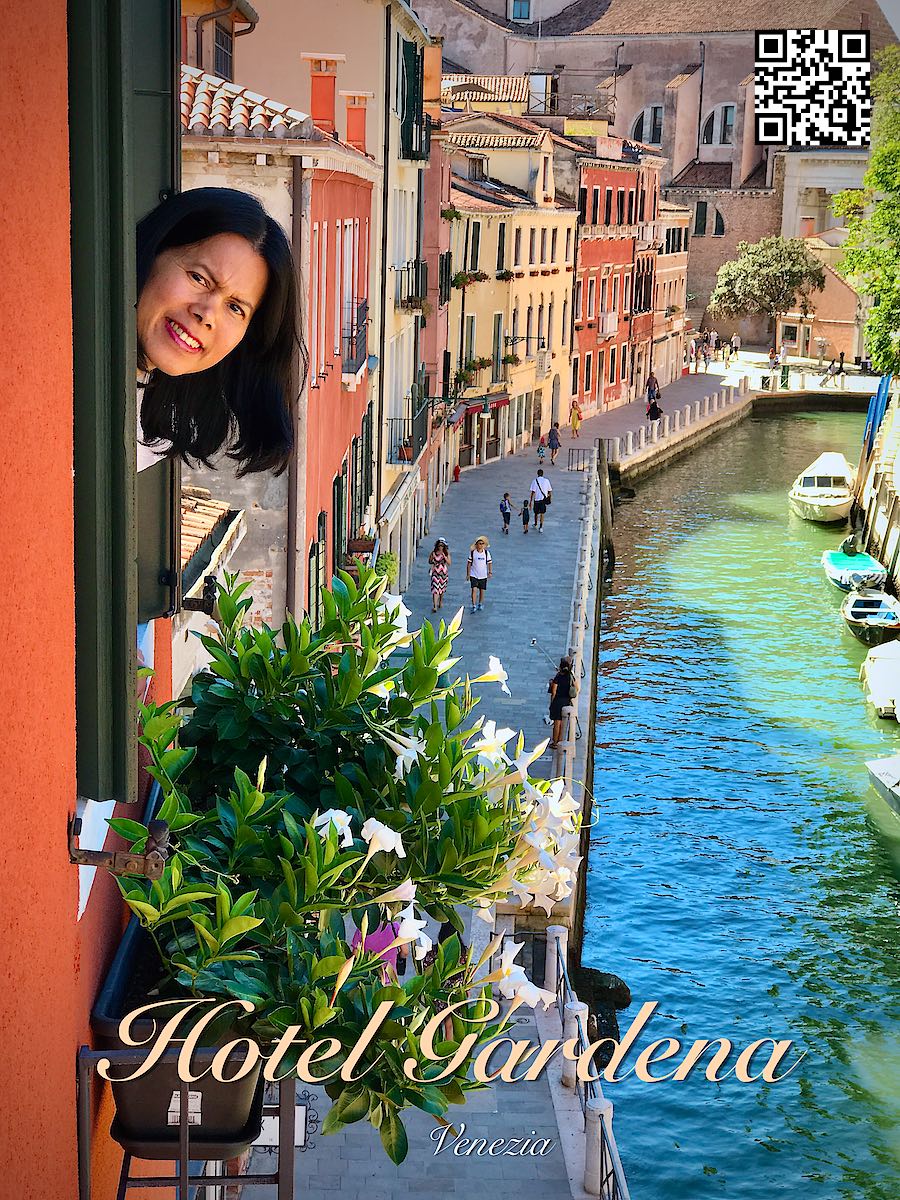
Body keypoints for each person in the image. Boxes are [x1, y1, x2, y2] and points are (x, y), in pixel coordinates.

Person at [136, 187, 303, 477]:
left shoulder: (149, 445)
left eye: (236, 308)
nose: (207, 313)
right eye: (199, 278)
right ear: (153, 252)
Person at [548, 656, 577, 749]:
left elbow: (554, 691)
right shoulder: (571, 676)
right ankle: (560, 740)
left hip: (558, 701)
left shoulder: (558, 676)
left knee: (557, 723)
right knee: (563, 723)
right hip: (567, 701)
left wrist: (552, 701)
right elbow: (577, 688)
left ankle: (555, 742)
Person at [466, 537, 492, 612]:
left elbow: (489, 563)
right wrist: (468, 574)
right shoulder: (473, 553)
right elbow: (469, 564)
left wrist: (490, 572)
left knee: (482, 590)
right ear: (476, 544)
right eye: (479, 544)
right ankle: (474, 604)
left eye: (482, 544)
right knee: (474, 589)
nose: (480, 545)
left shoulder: (486, 553)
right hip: (474, 574)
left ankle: (480, 603)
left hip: (483, 575)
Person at [428, 538, 450, 611]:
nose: (441, 547)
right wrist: (433, 559)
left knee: (441, 589)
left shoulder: (446, 553)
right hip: (435, 572)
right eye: (439, 545)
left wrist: (444, 556)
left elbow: (449, 563)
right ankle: (435, 606)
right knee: (435, 588)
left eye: (442, 546)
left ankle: (440, 601)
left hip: (443, 573)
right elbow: (430, 561)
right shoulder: (433, 553)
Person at [530, 468, 552, 532]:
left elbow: (533, 492)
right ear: (542, 474)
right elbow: (550, 491)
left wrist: (530, 501)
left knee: (536, 513)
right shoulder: (546, 481)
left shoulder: (534, 481)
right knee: (542, 513)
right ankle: (541, 526)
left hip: (536, 499)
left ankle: (536, 523)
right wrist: (549, 498)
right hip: (543, 500)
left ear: (537, 474)